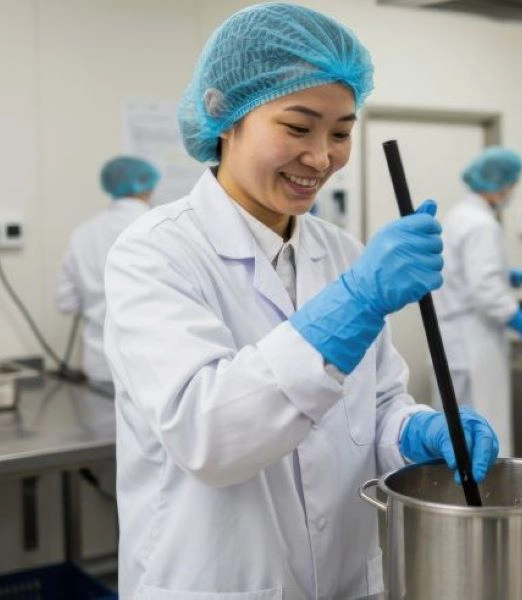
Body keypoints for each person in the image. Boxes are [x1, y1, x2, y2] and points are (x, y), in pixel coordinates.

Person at [103, 4, 499, 599]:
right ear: (225, 116)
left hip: (346, 580)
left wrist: (419, 430)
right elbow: (209, 436)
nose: (321, 157)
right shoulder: (156, 252)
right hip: (219, 581)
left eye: (341, 132)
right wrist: (356, 303)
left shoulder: (339, 250)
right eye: (297, 127)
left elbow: (375, 406)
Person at [434, 147, 522, 456]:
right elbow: (486, 294)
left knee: (456, 429)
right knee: (482, 428)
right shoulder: (481, 224)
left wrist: (503, 275)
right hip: (474, 340)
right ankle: (487, 501)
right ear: (500, 184)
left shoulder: (459, 215)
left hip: (455, 334)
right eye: (512, 184)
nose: (512, 191)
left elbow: (461, 272)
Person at [56, 156, 159, 394]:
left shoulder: (83, 233)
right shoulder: (158, 226)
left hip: (99, 365)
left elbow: (66, 303)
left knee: (104, 430)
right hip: (150, 366)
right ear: (149, 185)